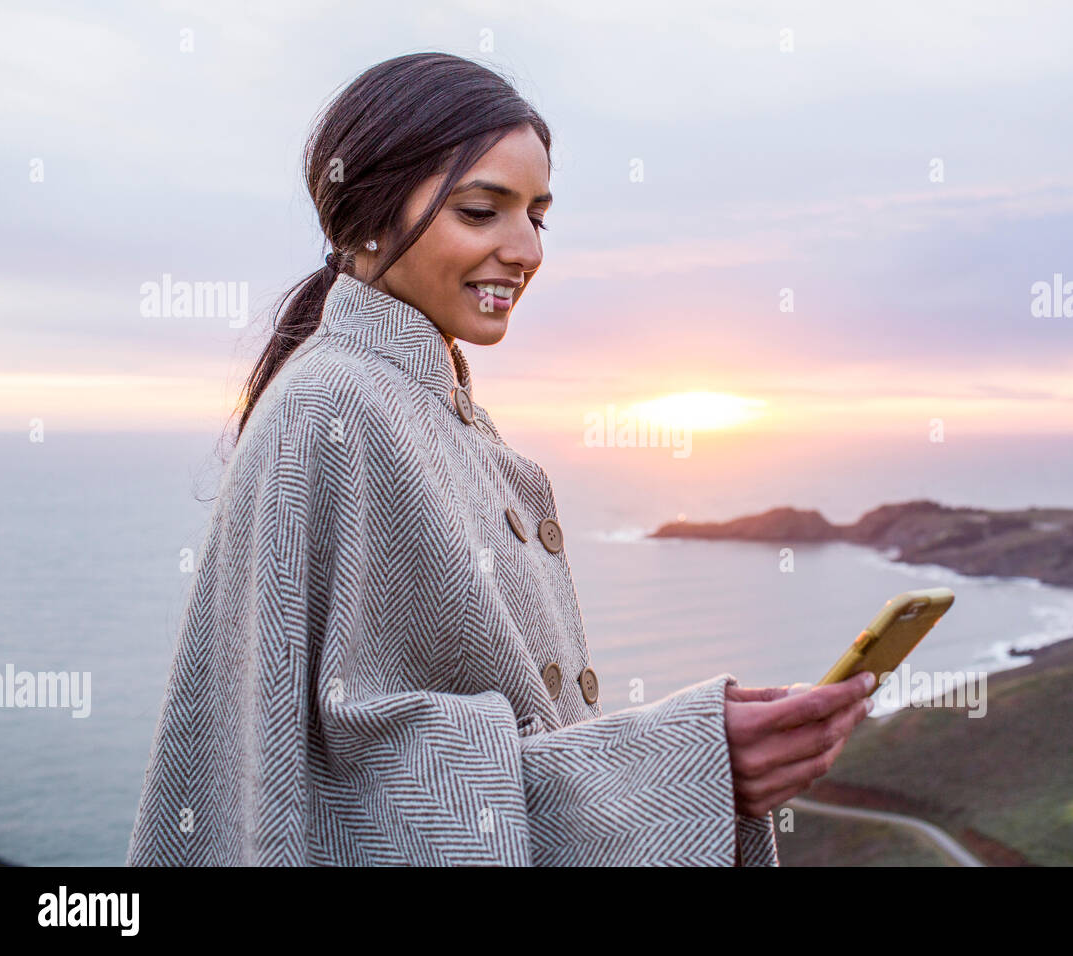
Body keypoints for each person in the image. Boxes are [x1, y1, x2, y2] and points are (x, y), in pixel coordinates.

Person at [126, 52, 876, 867]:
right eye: (482, 211)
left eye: (538, 216)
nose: (526, 251)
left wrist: (694, 752)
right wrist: (687, 765)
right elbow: (326, 802)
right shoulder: (332, 406)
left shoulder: (422, 404)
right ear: (368, 214)